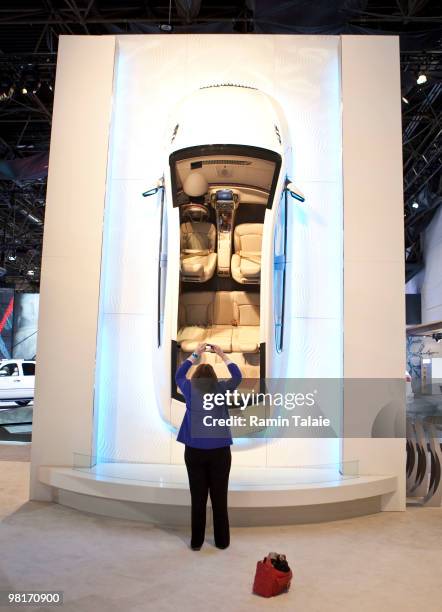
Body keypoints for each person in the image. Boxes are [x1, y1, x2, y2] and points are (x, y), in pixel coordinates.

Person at [175, 343, 242, 551]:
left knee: (198, 498)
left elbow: (179, 374)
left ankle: (197, 542)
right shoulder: (220, 389)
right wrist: (222, 355)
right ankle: (222, 541)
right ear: (213, 379)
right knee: (219, 498)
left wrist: (196, 354)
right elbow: (237, 377)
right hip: (220, 452)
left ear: (195, 378)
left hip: (194, 452)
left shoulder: (188, 388)